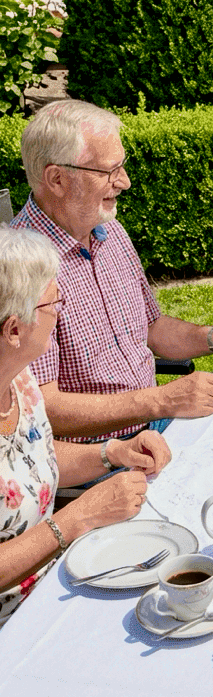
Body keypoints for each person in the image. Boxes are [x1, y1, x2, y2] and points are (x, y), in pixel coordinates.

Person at [11, 100, 213, 442]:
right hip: (99, 459)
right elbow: (41, 408)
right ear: (57, 179)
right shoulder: (22, 270)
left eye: (122, 166)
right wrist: (162, 400)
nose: (126, 182)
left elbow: (151, 327)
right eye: (109, 171)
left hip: (155, 428)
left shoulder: (109, 231)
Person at [0, 227, 171, 629]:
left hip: (53, 587)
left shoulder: (19, 381)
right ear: (13, 329)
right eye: (52, 302)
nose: (60, 311)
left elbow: (33, 456)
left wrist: (113, 452)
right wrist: (75, 519)